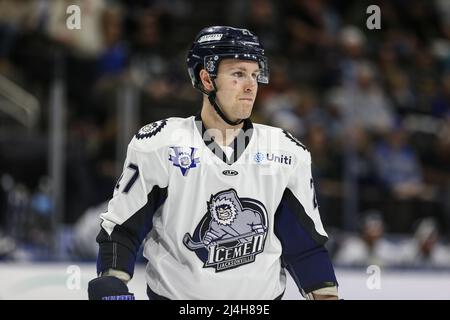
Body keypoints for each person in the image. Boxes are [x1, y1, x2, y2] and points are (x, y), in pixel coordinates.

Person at [88, 26, 338, 300]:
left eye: (255, 74)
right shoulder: (159, 144)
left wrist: (326, 295)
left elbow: (305, 246)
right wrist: (112, 280)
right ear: (207, 79)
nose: (250, 85)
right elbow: (123, 229)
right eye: (238, 74)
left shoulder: (286, 152)